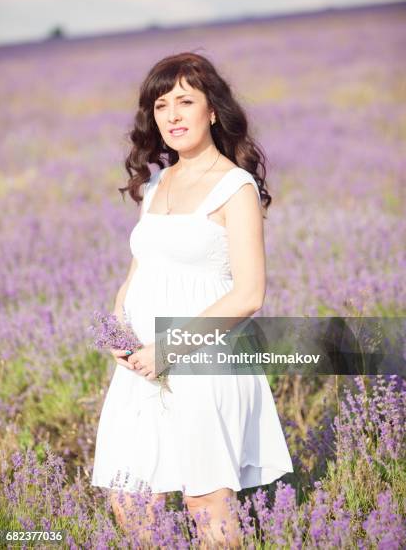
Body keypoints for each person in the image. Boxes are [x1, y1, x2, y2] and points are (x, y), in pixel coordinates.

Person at [91, 52, 294, 547]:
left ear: (213, 111)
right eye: (162, 105)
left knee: (206, 501)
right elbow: (139, 273)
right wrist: (118, 332)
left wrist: (169, 348)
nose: (173, 116)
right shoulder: (158, 181)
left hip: (203, 357)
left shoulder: (234, 187)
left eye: (186, 101)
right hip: (141, 362)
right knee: (131, 498)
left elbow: (248, 294)